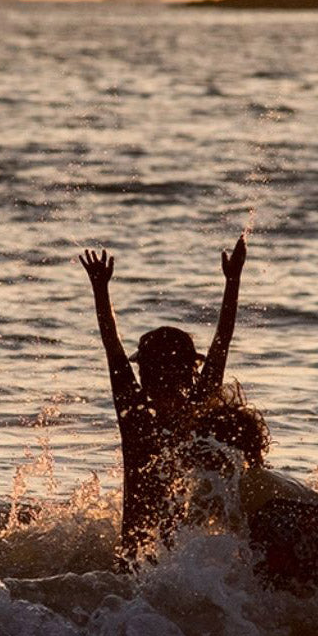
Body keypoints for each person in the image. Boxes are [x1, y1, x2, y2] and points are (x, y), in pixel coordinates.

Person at [80, 235, 247, 564]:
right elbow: (222, 342)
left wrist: (101, 289)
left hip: (131, 562)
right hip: (183, 567)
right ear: (191, 372)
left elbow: (111, 345)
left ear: (143, 373)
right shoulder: (200, 408)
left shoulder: (136, 414)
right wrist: (233, 279)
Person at [190, 396, 318, 588]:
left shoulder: (217, 484)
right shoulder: (273, 479)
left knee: (262, 592)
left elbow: (184, 538)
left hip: (279, 520)